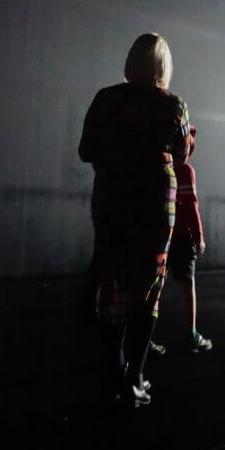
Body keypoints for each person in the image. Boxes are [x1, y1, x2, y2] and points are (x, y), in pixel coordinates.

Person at [79, 33, 190, 406]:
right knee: (150, 283)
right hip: (157, 201)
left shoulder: (106, 98)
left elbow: (85, 150)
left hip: (113, 196)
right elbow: (181, 156)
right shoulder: (174, 105)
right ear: (163, 66)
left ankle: (113, 372)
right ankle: (137, 377)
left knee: (112, 280)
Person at [164, 123, 214, 352]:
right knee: (187, 283)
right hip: (181, 235)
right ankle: (191, 334)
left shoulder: (158, 165)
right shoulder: (185, 170)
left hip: (159, 232)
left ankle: (141, 340)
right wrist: (199, 237)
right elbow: (192, 206)